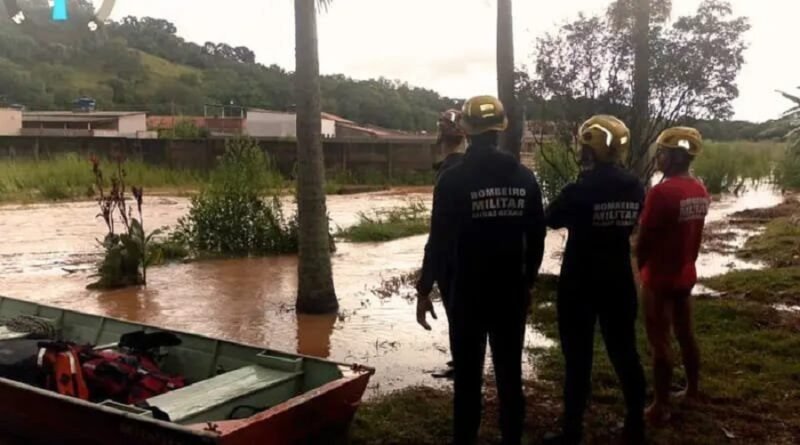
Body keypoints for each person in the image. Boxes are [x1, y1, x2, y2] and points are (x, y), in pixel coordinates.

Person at [416, 95, 546, 445]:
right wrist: (528, 282)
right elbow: (536, 238)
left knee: (468, 380)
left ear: (467, 130)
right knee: (509, 376)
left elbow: (438, 241)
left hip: (468, 294)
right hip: (510, 293)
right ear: (501, 129)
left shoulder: (453, 180)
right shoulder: (525, 178)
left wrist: (424, 289)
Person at [544, 115, 647, 445]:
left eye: (583, 145)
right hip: (618, 278)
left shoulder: (580, 188)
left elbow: (551, 217)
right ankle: (635, 423)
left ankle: (572, 430)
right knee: (625, 352)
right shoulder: (634, 185)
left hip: (580, 283)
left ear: (591, 149)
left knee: (578, 358)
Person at [637, 127, 709, 425]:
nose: (658, 157)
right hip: (685, 272)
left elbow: (645, 240)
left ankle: (660, 404)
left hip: (660, 275)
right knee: (685, 333)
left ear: (673, 156)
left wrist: (639, 269)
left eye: (662, 152)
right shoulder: (699, 189)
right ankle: (692, 390)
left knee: (659, 341)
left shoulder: (661, 192)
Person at [418, 109, 466, 379]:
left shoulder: (448, 175)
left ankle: (463, 365)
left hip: (455, 264)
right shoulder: (474, 169)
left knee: (459, 318)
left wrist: (425, 285)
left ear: (441, 139)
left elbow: (438, 236)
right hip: (489, 261)